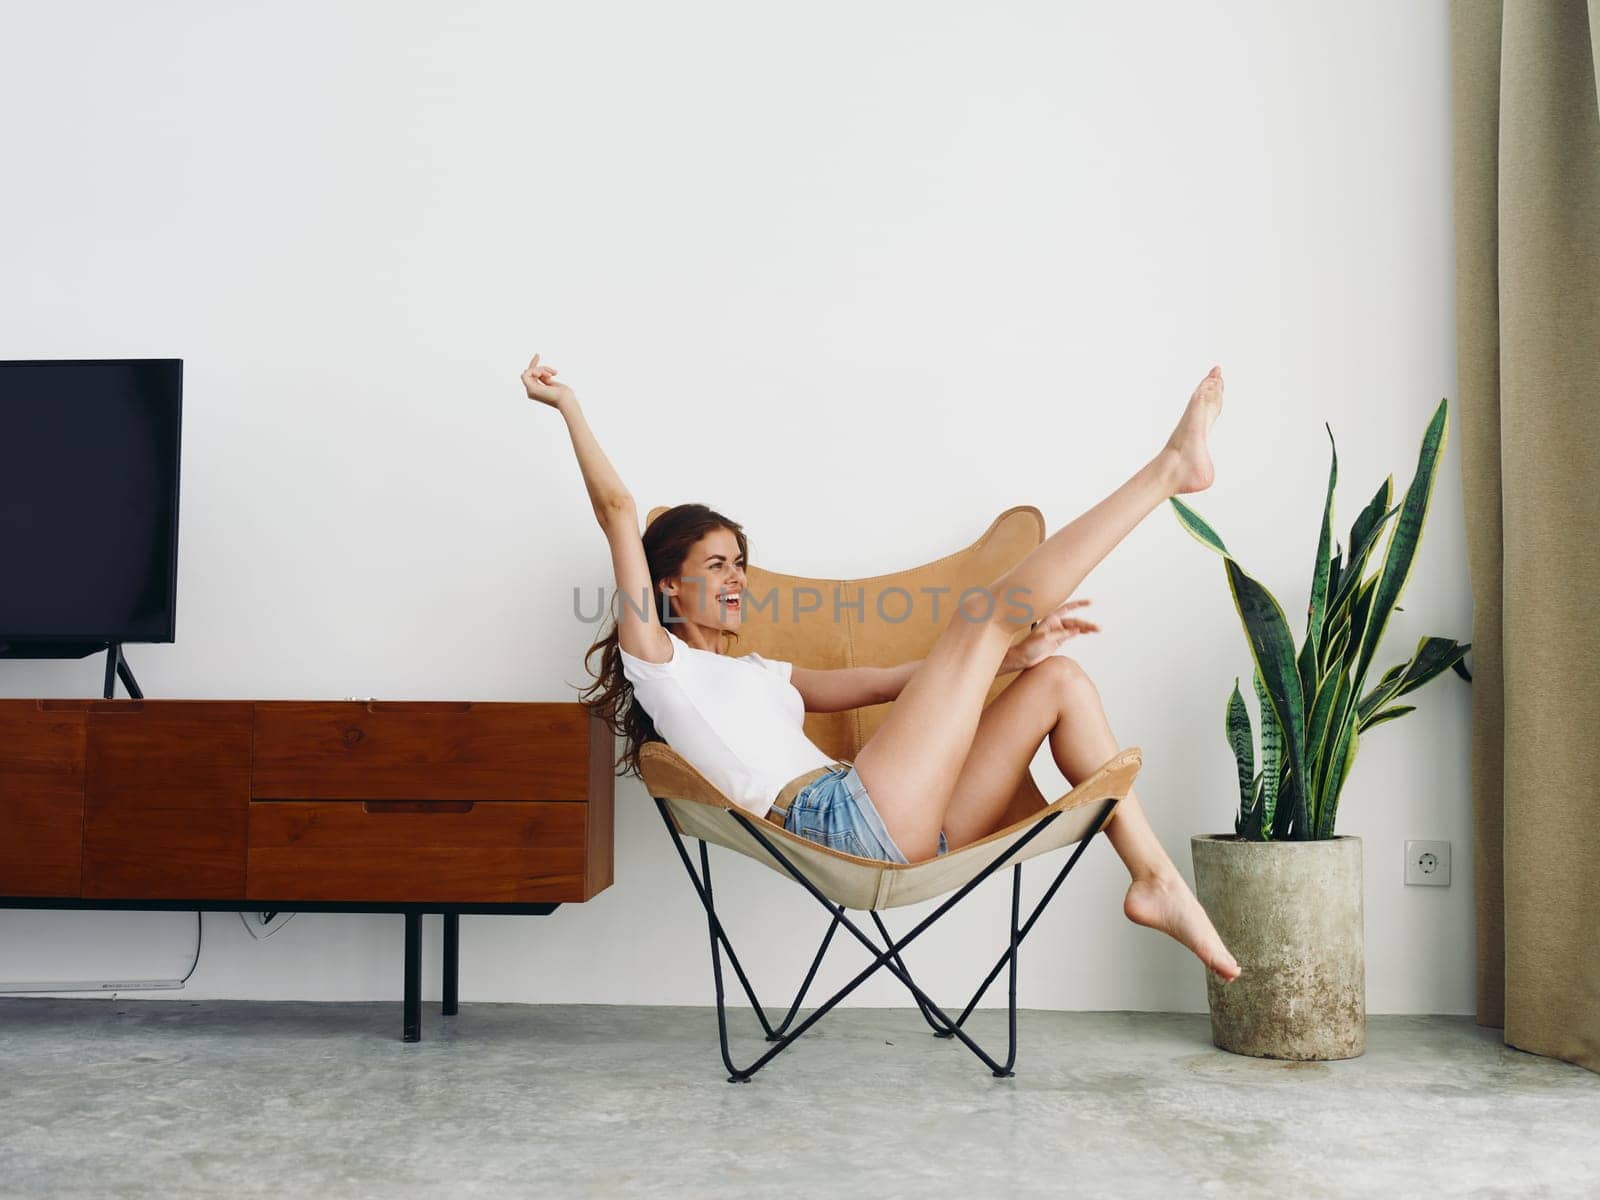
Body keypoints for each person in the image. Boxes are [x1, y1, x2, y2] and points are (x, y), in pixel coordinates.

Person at [526, 353, 1240, 983]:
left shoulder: (761, 671)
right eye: (716, 565)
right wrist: (569, 406)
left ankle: (1154, 879)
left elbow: (877, 682)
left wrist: (1008, 656)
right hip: (841, 826)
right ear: (667, 589)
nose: (738, 578)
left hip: (902, 822)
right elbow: (619, 508)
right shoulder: (660, 663)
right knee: (981, 613)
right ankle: (1168, 471)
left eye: (740, 563)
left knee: (1058, 681)